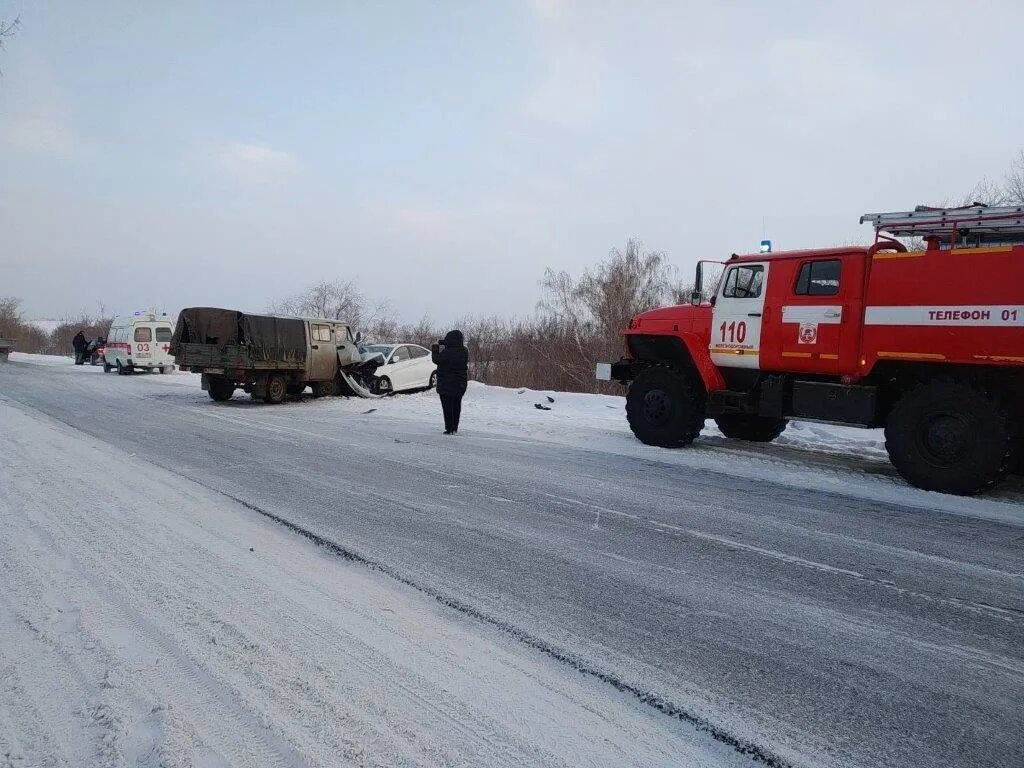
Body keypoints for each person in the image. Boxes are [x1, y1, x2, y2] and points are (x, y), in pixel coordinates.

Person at [431, 330, 469, 435]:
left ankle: (449, 428)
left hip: (446, 384)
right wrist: (442, 342)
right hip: (460, 384)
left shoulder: (447, 353)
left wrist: (435, 347)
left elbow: (436, 359)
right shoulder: (464, 351)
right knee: (456, 406)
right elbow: (452, 343)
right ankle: (454, 427)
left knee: (447, 407)